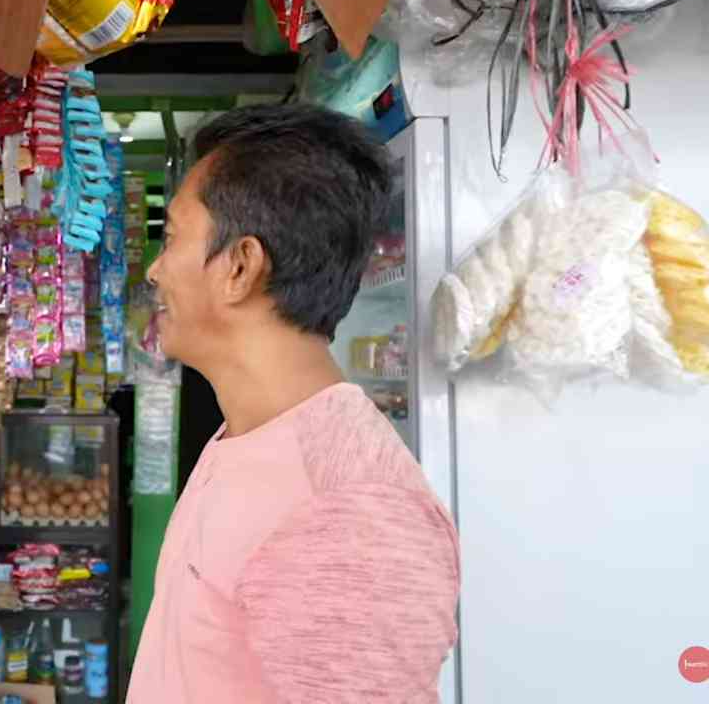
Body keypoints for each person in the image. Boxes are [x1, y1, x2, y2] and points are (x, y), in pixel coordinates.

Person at [127, 105, 460, 703]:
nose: (155, 270)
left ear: (240, 266)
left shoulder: (349, 512)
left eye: (172, 238)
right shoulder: (247, 434)